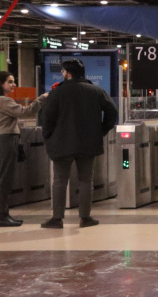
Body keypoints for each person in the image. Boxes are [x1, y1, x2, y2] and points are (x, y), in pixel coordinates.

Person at [40, 59, 117, 229]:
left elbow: (47, 119)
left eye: (62, 72)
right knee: (85, 180)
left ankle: (57, 218)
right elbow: (112, 112)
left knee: (60, 180)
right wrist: (101, 131)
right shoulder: (96, 91)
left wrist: (50, 137)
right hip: (88, 143)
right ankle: (85, 217)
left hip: (61, 143)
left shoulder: (57, 93)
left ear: (68, 73)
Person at [0, 72, 47, 227]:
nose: (14, 85)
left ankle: (4, 214)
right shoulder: (3, 100)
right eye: (10, 82)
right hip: (6, 141)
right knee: (5, 179)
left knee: (5, 178)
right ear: (0, 84)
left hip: (6, 140)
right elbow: (26, 112)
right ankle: (2, 216)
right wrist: (41, 99)